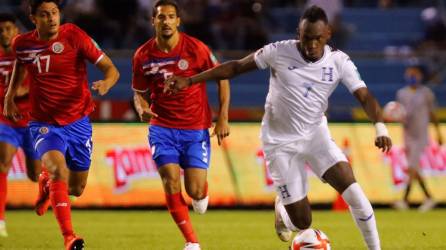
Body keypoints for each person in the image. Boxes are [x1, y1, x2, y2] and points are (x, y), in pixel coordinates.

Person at [165, 6, 392, 250]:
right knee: (303, 222)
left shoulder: (339, 61)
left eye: (317, 39)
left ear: (327, 34)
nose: (311, 45)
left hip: (316, 137)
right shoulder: (278, 51)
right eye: (306, 38)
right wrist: (190, 80)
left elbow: (365, 97)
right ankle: (283, 212)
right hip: (279, 143)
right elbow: (235, 67)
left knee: (357, 197)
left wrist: (380, 127)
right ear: (299, 33)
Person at [3, 1, 120, 249]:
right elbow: (20, 65)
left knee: (76, 189)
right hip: (43, 123)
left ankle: (47, 184)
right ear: (33, 18)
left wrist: (107, 83)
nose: (52, 19)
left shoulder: (75, 35)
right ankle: (69, 236)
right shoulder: (22, 43)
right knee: (59, 171)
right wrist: (9, 96)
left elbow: (110, 69)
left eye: (54, 13)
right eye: (44, 15)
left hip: (78, 122)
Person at [132, 1, 230, 250]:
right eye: (161, 17)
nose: (166, 21)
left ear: (178, 21)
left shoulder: (196, 49)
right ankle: (192, 242)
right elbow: (139, 92)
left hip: (195, 128)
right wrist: (141, 108)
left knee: (195, 191)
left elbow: (222, 78)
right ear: (153, 21)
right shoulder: (142, 55)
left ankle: (202, 191)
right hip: (161, 127)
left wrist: (223, 117)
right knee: (170, 181)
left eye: (171, 17)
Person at [0, 12, 42, 238]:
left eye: (8, 28)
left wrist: (22, 92)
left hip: (31, 123)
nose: (4, 33)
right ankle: (0, 221)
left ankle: (48, 184)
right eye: (1, 30)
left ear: (16, 31)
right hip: (6, 121)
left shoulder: (27, 53)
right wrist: (13, 93)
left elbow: (40, 82)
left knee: (35, 175)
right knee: (2, 166)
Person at [393, 65, 443, 212]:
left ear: (420, 76)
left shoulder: (426, 93)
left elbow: (433, 113)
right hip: (407, 135)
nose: (412, 77)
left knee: (412, 167)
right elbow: (399, 113)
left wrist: (438, 132)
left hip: (421, 135)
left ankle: (404, 200)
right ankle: (429, 198)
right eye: (410, 74)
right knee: (415, 169)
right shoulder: (401, 93)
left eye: (415, 74)